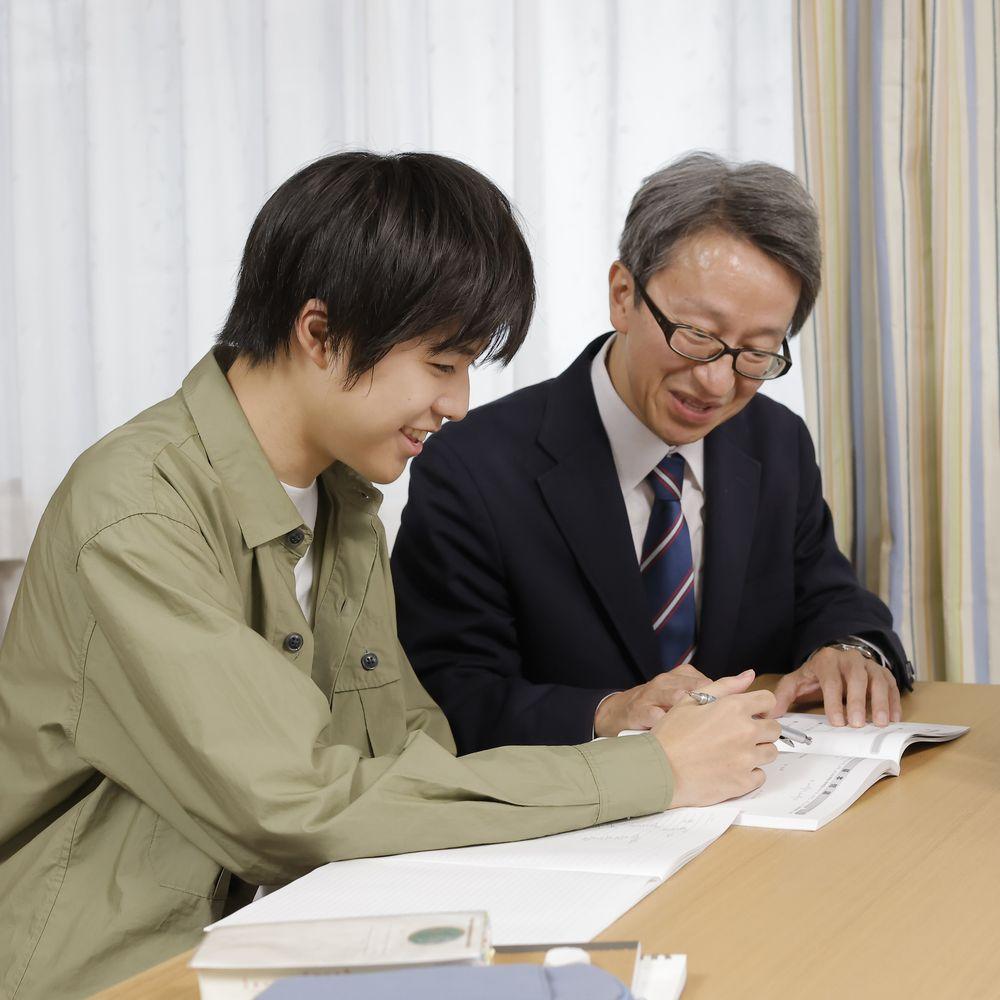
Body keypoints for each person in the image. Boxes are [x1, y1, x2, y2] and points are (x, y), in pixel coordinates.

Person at [0, 152, 780, 999]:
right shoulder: (136, 514)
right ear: (318, 332)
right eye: (443, 364)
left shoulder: (346, 500)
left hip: (301, 930)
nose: (461, 404)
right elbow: (294, 809)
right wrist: (650, 772)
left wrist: (620, 731)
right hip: (121, 969)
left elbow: (412, 750)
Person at [392, 151, 914, 755]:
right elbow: (448, 695)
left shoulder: (776, 443)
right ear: (622, 295)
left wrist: (850, 650)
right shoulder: (472, 466)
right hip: (576, 824)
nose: (717, 385)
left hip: (756, 806)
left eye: (756, 353)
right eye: (697, 336)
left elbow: (829, 595)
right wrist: (609, 711)